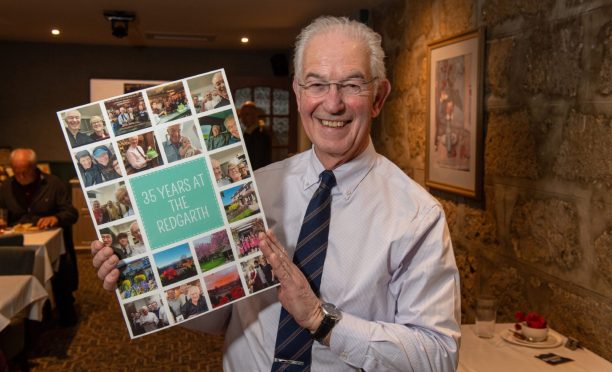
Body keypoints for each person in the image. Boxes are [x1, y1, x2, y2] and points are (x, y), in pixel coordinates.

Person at [92, 16, 460, 371]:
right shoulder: (253, 190)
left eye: (351, 84)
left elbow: (437, 356)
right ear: (298, 94)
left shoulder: (417, 215)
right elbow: (219, 317)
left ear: (378, 97)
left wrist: (321, 320)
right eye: (316, 84)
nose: (332, 104)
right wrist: (144, 285)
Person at [1, 148, 80, 326]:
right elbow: (2, 211)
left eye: (25, 171)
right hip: (19, 243)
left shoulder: (53, 184)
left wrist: (56, 217)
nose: (20, 176)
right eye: (16, 172)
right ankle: (26, 317)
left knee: (60, 273)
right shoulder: (7, 186)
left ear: (34, 167)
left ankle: (65, 312)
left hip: (51, 241)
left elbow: (71, 213)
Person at [240, 101, 272, 169]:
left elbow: (258, 161)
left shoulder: (260, 135)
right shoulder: (247, 133)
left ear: (255, 115)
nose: (243, 117)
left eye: (247, 114)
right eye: (242, 114)